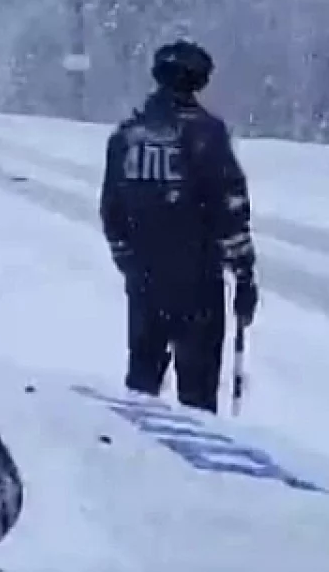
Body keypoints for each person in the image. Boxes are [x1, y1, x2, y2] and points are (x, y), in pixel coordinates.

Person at [99, 39, 259, 413]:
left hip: (145, 282)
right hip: (197, 282)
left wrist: (130, 263)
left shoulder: (126, 138)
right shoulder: (207, 135)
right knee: (198, 396)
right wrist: (244, 274)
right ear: (199, 80)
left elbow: (111, 209)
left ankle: (133, 458)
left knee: (140, 385)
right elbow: (231, 209)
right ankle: (194, 469)